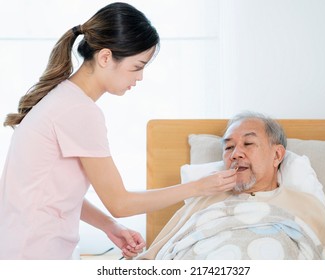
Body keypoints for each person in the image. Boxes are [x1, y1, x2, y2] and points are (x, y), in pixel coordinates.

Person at [0, 2, 236, 260]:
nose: (140, 77)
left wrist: (109, 226)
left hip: (24, 248)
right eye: (137, 66)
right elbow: (120, 203)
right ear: (105, 57)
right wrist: (198, 187)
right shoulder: (78, 111)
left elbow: (54, 195)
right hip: (34, 254)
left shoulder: (63, 100)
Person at [136, 112, 325, 260]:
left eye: (248, 144)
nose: (235, 153)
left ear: (277, 155)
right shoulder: (202, 202)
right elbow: (154, 258)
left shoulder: (307, 206)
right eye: (229, 147)